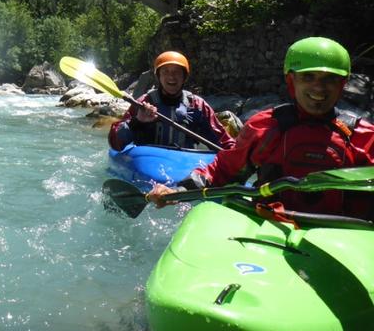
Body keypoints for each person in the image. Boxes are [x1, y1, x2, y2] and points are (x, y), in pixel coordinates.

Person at [147, 37, 374, 219]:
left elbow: (218, 138)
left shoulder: (363, 137)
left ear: (342, 84)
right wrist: (179, 190)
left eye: (330, 79)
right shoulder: (265, 127)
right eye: (308, 77)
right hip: (272, 228)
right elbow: (222, 170)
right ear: (291, 81)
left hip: (340, 237)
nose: (319, 88)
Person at [108, 50, 236, 151]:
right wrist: (137, 121)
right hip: (148, 161)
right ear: (159, 76)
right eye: (166, 71)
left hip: (184, 165)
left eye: (177, 72)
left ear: (184, 77)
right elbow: (115, 143)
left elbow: (223, 141)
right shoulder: (144, 103)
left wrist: (237, 155)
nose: (171, 76)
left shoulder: (198, 105)